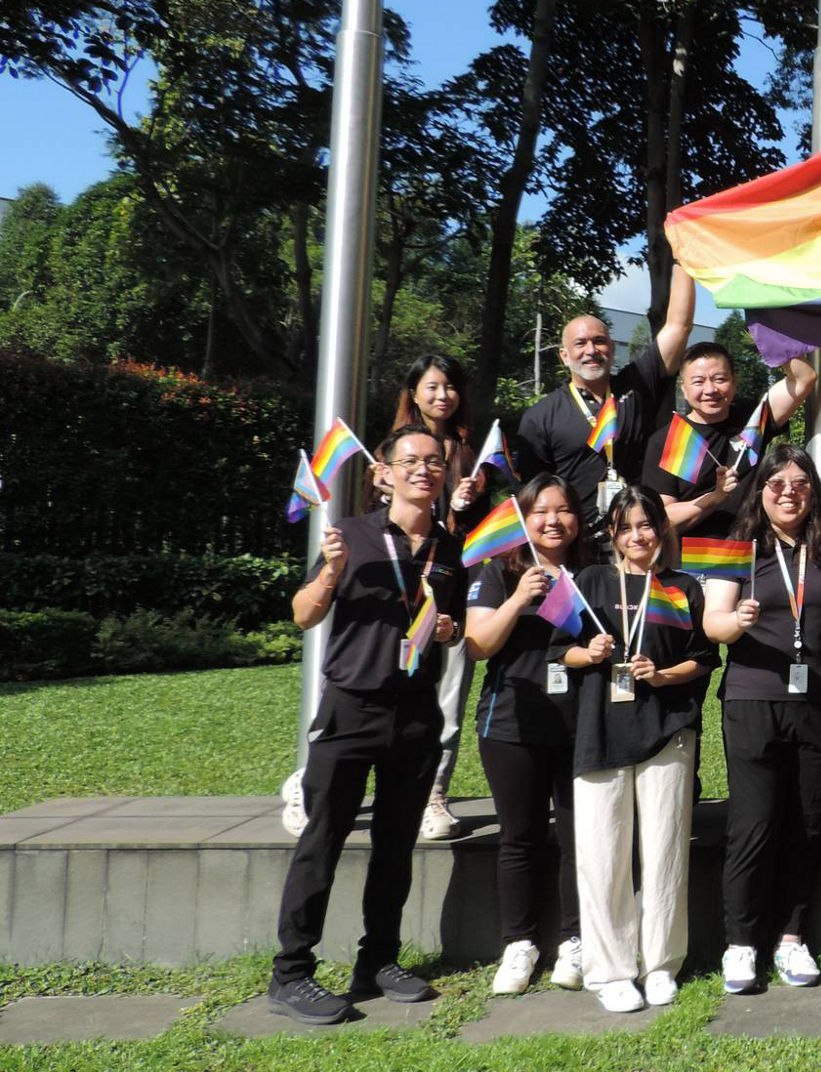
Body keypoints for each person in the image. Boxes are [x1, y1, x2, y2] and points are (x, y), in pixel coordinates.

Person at [267, 424, 466, 1025]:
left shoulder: (450, 548)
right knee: (322, 840)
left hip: (415, 712)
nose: (423, 471)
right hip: (352, 708)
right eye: (410, 461)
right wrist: (329, 572)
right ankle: (291, 973)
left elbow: (445, 620)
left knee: (395, 846)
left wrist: (449, 630)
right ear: (384, 472)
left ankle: (377, 960)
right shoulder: (348, 534)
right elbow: (304, 615)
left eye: (434, 462)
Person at [701, 444, 821, 994]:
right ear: (761, 491)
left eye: (800, 484)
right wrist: (736, 621)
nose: (789, 493)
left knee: (808, 821)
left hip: (818, 703)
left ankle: (791, 938)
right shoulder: (738, 547)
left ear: (813, 492)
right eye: (777, 484)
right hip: (752, 699)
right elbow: (712, 624)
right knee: (754, 825)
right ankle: (741, 944)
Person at [563, 486, 718, 1013]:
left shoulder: (681, 589)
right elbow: (553, 648)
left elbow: (702, 659)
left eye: (647, 524)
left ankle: (659, 964)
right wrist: (588, 652)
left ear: (662, 530)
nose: (638, 535)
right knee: (603, 854)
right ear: (612, 533)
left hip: (666, 730)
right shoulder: (589, 582)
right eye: (626, 527)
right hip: (600, 730)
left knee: (665, 852)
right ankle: (609, 970)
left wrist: (662, 673)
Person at [465, 474, 591, 996]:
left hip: (580, 724)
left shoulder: (593, 572)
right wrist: (518, 599)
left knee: (577, 839)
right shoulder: (498, 572)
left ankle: (574, 941)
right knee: (519, 838)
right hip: (511, 724)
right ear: (522, 517)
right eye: (540, 511)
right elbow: (478, 645)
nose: (553, 521)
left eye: (563, 510)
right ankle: (519, 943)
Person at [516, 265, 699, 539]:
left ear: (612, 349)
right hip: (577, 544)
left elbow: (679, 326)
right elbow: (532, 498)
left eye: (599, 341)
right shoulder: (540, 416)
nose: (591, 350)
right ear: (564, 356)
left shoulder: (635, 384)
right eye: (580, 344)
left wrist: (684, 256)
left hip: (636, 539)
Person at [387, 354, 488, 842]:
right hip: (399, 592)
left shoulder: (474, 453)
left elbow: (493, 529)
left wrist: (476, 501)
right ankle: (324, 780)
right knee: (381, 689)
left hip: (452, 591)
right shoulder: (392, 451)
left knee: (449, 691)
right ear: (413, 392)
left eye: (450, 387)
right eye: (431, 386)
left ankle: (434, 793)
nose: (441, 396)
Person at [640, 332, 816, 543]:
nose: (710, 389)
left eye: (720, 379)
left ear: (734, 382)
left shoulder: (752, 418)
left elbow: (804, 378)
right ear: (684, 389)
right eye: (698, 381)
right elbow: (662, 518)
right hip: (691, 560)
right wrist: (715, 496)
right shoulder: (667, 439)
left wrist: (770, 330)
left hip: (753, 553)